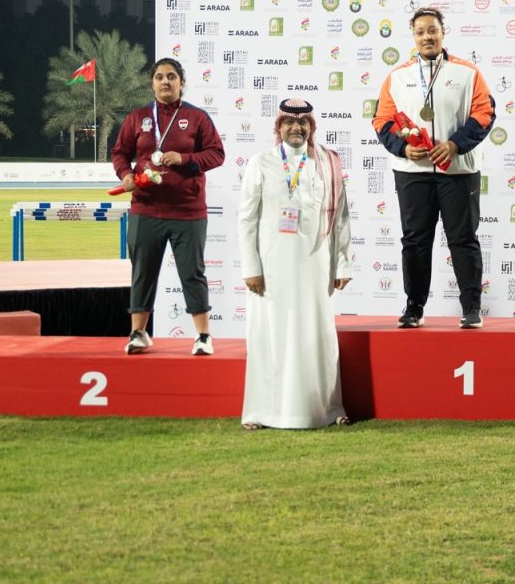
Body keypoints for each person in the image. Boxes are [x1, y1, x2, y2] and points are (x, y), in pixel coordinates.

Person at [372, 7, 495, 329]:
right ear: (413, 36)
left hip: (458, 170)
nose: (427, 36)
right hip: (412, 171)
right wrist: (403, 148)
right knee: (415, 241)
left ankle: (472, 308)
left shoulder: (467, 72)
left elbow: (484, 113)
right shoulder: (397, 77)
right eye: (420, 31)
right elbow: (382, 120)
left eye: (432, 30)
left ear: (443, 32)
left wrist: (455, 144)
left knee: (463, 239)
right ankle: (414, 307)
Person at [238, 99, 352, 429]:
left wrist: (342, 265)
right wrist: (251, 267)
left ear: (311, 127)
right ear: (278, 127)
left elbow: (341, 218)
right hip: (271, 266)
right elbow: (247, 218)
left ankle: (327, 409)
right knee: (269, 334)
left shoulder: (327, 163)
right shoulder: (261, 163)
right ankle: (262, 412)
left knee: (317, 335)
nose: (296, 127)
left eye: (303, 122)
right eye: (288, 121)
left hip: (316, 264)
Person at [111, 58, 225, 355]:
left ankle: (203, 336)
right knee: (143, 272)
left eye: (171, 76)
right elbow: (119, 153)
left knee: (192, 273)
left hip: (188, 211)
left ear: (181, 83)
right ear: (152, 83)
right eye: (159, 77)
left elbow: (217, 154)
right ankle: (138, 333)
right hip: (146, 208)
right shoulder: (138, 117)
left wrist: (185, 159)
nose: (165, 81)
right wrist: (125, 175)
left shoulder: (197, 117)